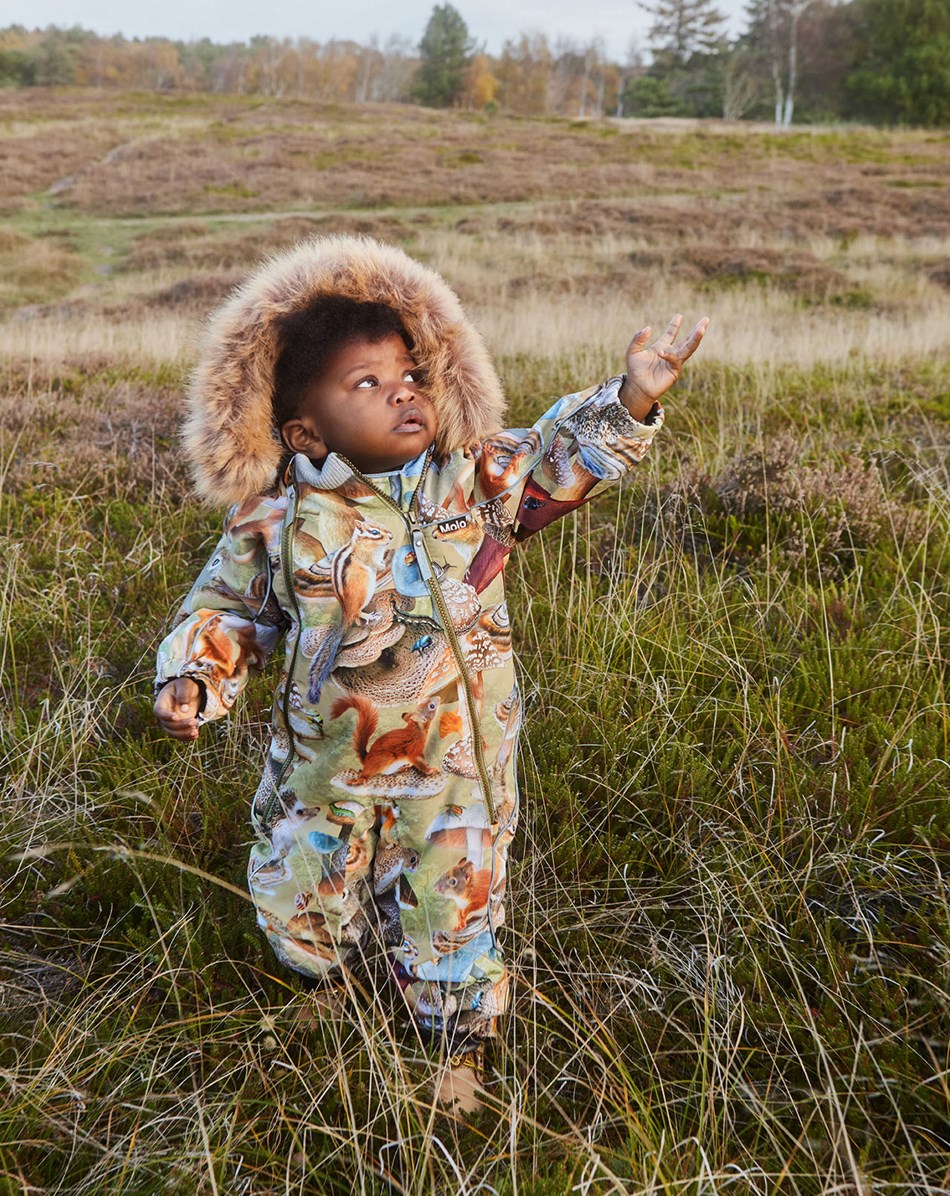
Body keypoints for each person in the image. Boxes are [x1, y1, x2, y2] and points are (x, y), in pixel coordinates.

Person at [154, 235, 707, 1111]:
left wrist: (632, 397)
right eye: (365, 384)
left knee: (454, 901)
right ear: (303, 428)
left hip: (457, 772)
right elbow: (226, 609)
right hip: (324, 768)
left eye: (410, 373)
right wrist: (195, 675)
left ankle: (457, 1044)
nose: (402, 391)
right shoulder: (276, 518)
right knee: (304, 890)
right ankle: (319, 983)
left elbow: (559, 455)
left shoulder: (473, 482)